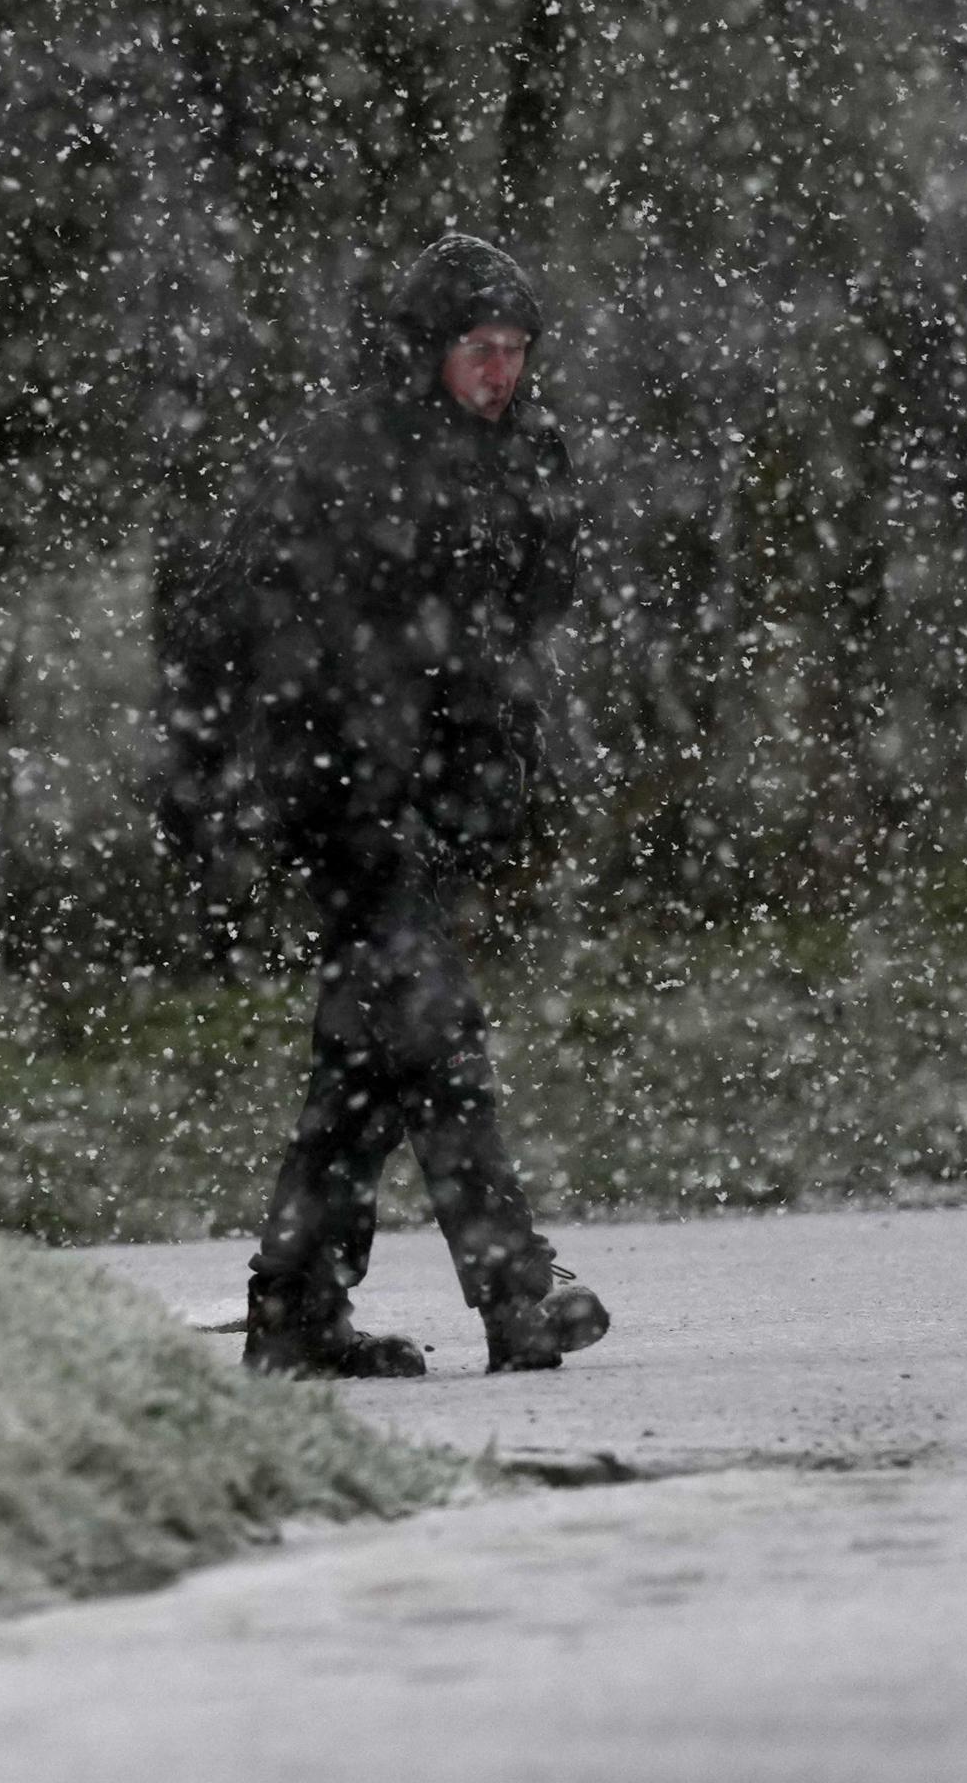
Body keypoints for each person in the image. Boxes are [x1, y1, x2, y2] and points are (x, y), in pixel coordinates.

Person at [180, 231, 613, 1376]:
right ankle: (519, 1289)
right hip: (342, 796)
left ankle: (298, 1311)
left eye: (517, 349)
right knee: (435, 1030)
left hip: (437, 797)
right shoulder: (340, 458)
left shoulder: (527, 454)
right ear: (426, 351)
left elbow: (523, 624)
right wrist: (333, 731)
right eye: (480, 348)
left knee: (371, 1059)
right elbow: (234, 620)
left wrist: (491, 761)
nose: (502, 370)